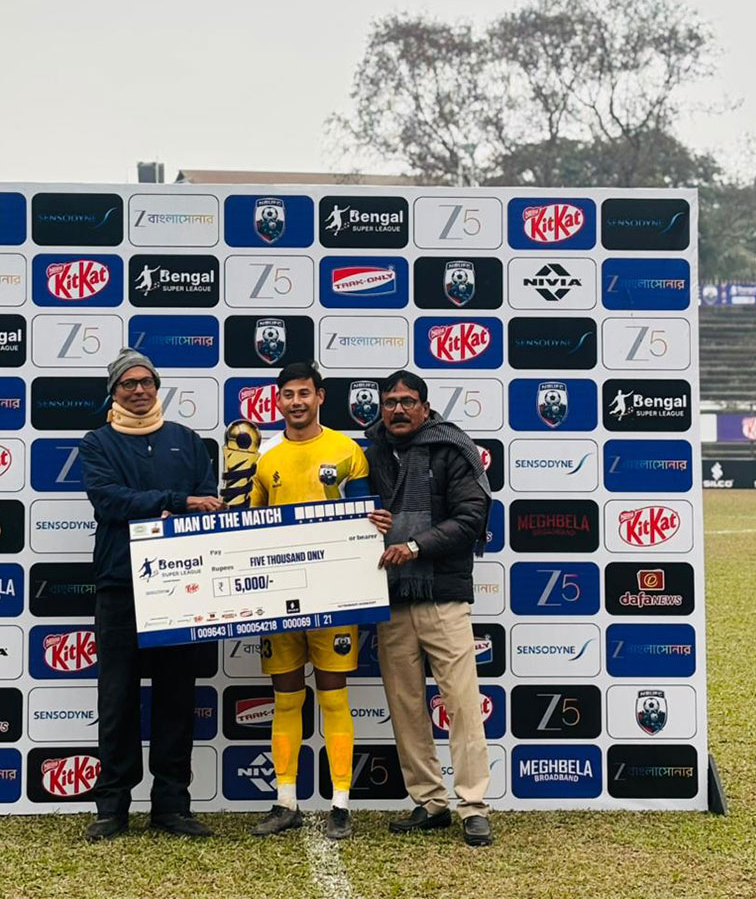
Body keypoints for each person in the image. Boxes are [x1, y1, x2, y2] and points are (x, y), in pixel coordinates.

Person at [79, 348, 225, 841]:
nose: (139, 390)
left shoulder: (187, 440)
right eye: (128, 383)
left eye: (146, 381)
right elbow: (108, 500)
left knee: (176, 699)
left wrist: (181, 506)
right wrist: (173, 502)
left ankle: (172, 806)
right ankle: (112, 807)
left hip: (182, 587)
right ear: (114, 392)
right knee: (117, 699)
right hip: (120, 585)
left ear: (157, 387)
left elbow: (208, 499)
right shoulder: (97, 442)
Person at [364, 369, 495, 847]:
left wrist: (415, 545)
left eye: (407, 401)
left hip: (443, 595)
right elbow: (351, 515)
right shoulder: (369, 453)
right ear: (381, 407)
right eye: (390, 402)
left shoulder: (452, 447)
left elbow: (471, 517)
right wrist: (366, 520)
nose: (398, 409)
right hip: (391, 597)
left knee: (461, 704)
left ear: (424, 406)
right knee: (405, 707)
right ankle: (430, 801)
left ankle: (473, 805)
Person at [247, 362, 370, 840]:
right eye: (287, 394)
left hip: (334, 593)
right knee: (286, 698)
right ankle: (285, 800)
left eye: (304, 393)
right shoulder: (266, 458)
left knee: (334, 696)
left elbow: (367, 516)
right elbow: (248, 530)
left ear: (320, 397)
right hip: (279, 597)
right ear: (277, 400)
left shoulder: (347, 451)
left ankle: (341, 803)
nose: (295, 402)